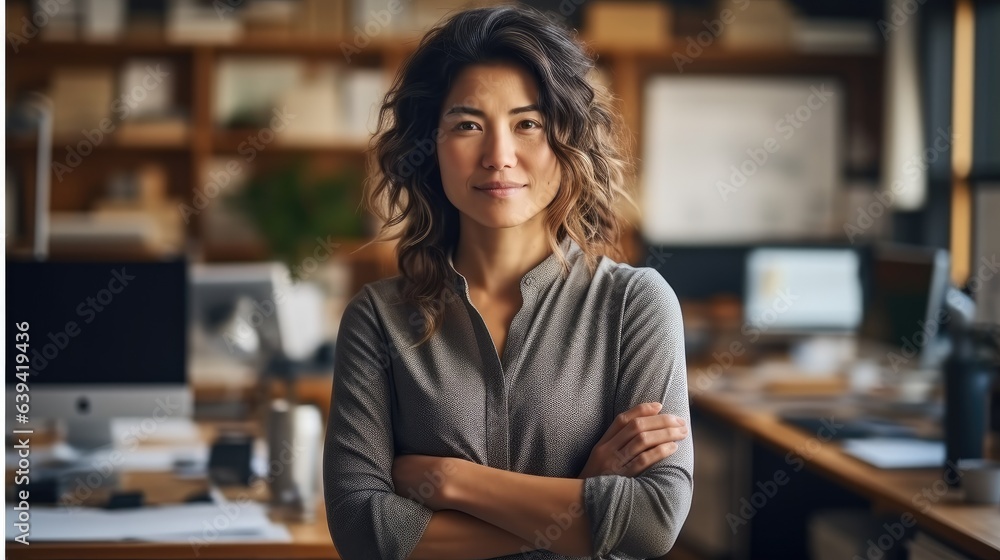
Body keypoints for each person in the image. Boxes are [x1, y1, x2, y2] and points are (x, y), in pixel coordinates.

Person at [323, 5, 693, 559]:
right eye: (468, 124)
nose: (498, 157)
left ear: (567, 141)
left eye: (528, 123)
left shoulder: (635, 305)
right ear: (431, 147)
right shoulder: (377, 318)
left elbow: (653, 522)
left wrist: (450, 482)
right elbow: (360, 529)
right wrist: (582, 500)